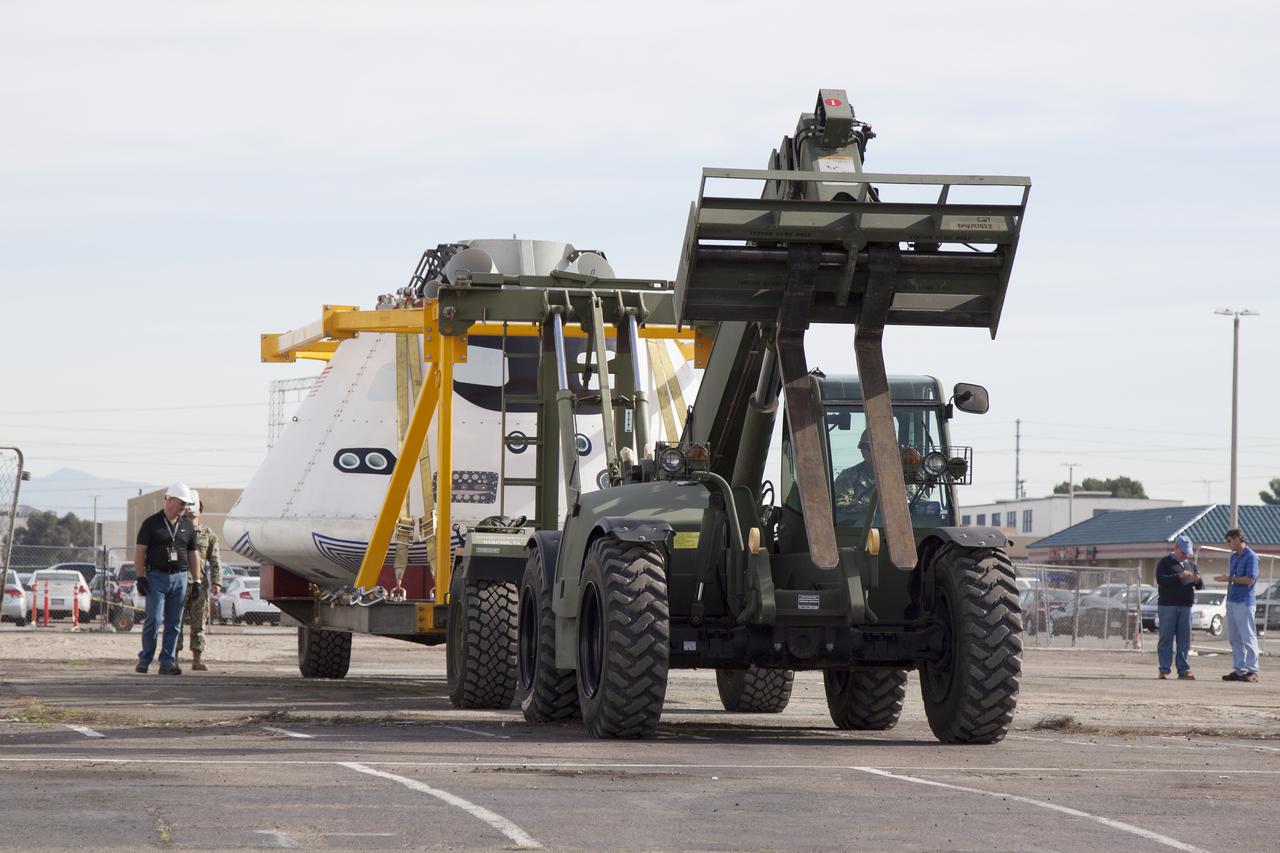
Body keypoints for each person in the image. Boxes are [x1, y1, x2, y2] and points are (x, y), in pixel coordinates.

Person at [134, 483, 201, 675]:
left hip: (179, 578)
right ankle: (145, 659)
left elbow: (193, 554)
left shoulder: (187, 525)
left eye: (186, 504)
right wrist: (140, 577)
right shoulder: (151, 523)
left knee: (174, 622)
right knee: (153, 620)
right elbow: (140, 552)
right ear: (170, 500)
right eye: (181, 503)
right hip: (156, 577)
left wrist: (196, 580)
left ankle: (167, 662)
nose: (184, 507)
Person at [178, 492, 219, 672]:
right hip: (178, 582)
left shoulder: (208, 534)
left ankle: (197, 658)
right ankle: (173, 657)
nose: (191, 510)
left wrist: (217, 582)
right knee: (175, 623)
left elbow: (215, 560)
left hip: (199, 584)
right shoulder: (177, 530)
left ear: (200, 510)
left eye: (195, 507)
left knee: (199, 623)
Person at [1154, 534, 1202, 679]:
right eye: (1183, 552)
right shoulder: (1165, 562)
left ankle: (1183, 669)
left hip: (1186, 606)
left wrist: (1197, 579)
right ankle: (1164, 669)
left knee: (1184, 639)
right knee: (1166, 638)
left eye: (1188, 553)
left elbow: (1199, 586)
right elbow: (1161, 580)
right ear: (1176, 548)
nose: (1185, 555)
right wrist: (1178, 576)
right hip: (1168, 605)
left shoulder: (1191, 564)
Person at [1215, 528, 1260, 682]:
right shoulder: (1233, 557)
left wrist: (1230, 579)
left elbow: (1250, 580)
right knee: (1234, 637)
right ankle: (1239, 670)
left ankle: (1252, 670)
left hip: (1244, 601)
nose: (1228, 544)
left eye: (1229, 541)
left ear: (1237, 539)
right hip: (1232, 600)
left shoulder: (1251, 557)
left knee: (1248, 636)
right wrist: (1230, 579)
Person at [833, 430, 876, 513]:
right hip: (859, 525)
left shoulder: (901, 478)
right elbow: (839, 510)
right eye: (870, 448)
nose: (876, 452)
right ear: (862, 452)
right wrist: (864, 507)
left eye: (882, 448)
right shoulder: (848, 476)